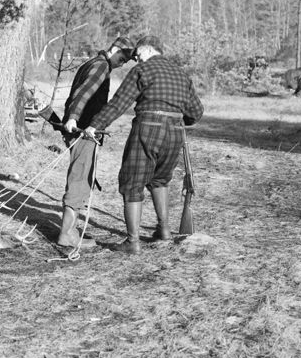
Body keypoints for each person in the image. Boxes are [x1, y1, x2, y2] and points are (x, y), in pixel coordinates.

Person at [84, 35, 204, 254]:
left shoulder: (143, 70)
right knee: (160, 180)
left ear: (148, 50)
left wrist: (95, 125)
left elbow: (119, 103)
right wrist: (176, 119)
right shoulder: (182, 74)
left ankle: (132, 242)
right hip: (176, 132)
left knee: (132, 182)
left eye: (138, 55)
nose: (137, 60)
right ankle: (164, 231)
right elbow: (196, 113)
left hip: (148, 128)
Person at [56, 36, 134, 248]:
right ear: (115, 49)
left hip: (81, 129)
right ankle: (67, 234)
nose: (124, 62)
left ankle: (69, 229)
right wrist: (73, 117)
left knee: (81, 177)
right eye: (123, 57)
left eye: (127, 60)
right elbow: (82, 93)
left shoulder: (92, 63)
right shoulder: (101, 67)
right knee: (80, 180)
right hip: (83, 131)